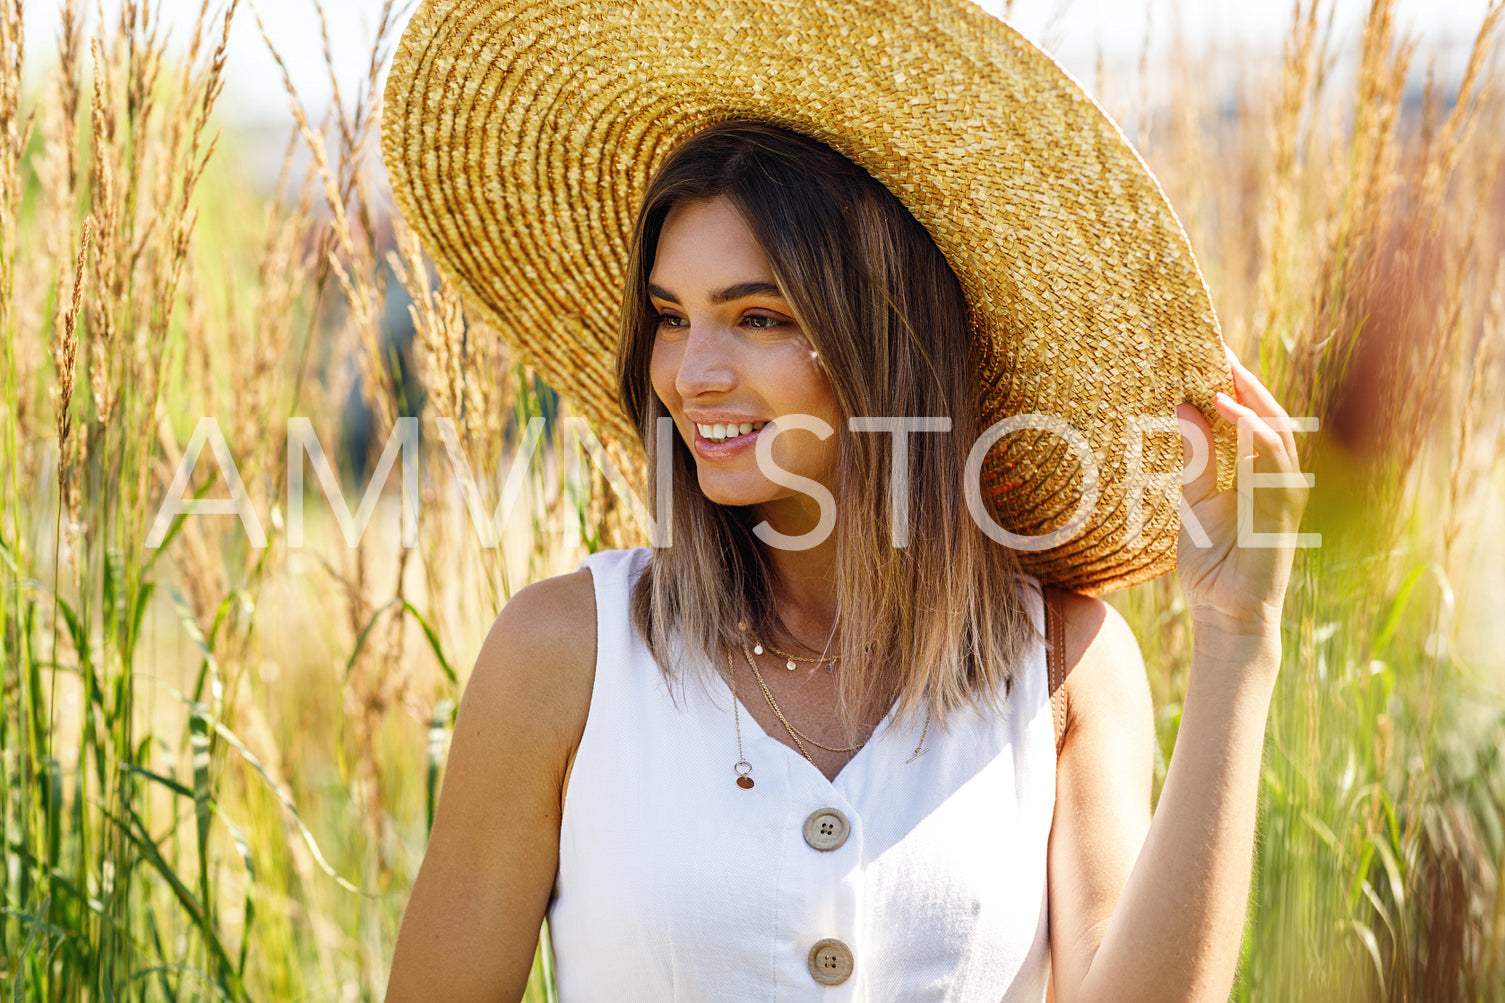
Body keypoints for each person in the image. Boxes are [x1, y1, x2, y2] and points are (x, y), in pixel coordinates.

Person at [379, 2, 1309, 1001]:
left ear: (886, 339)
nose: (690, 372)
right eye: (668, 316)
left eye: (756, 316)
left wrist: (1234, 634)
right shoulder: (565, 655)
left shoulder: (1063, 669)